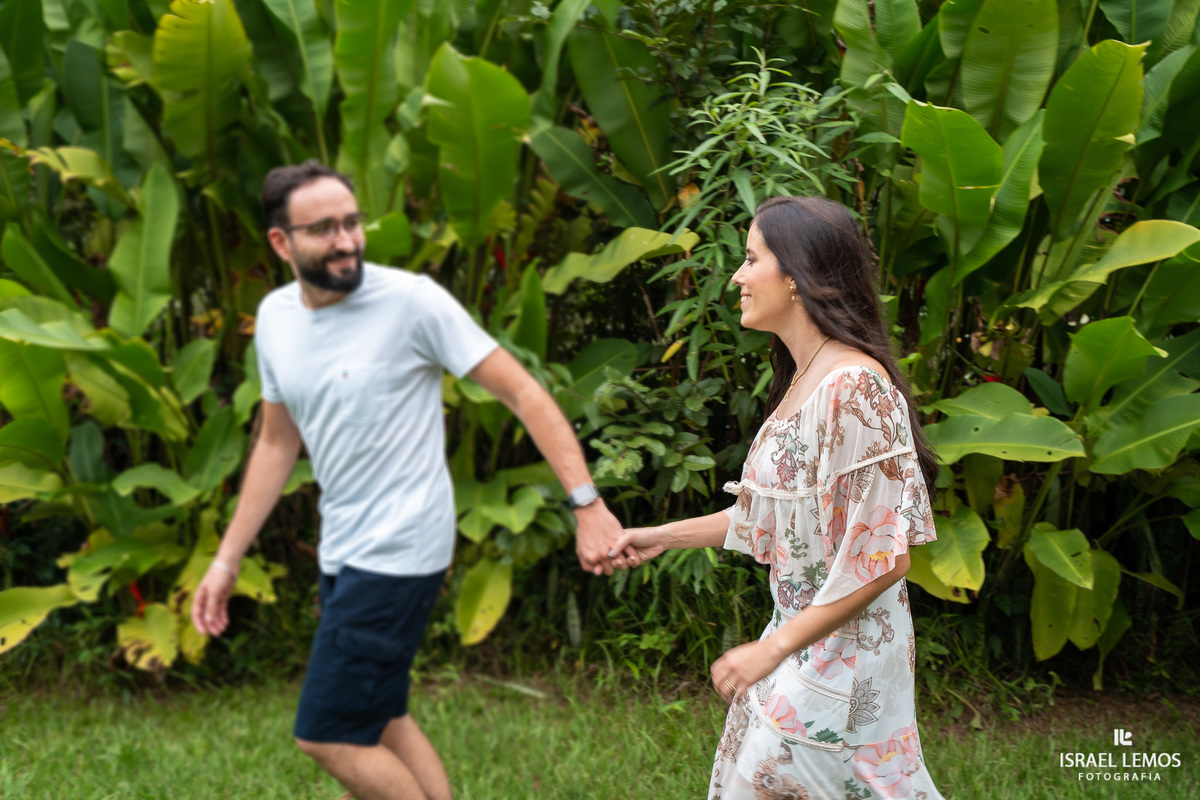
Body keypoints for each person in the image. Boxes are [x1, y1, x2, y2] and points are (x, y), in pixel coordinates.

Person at [190, 160, 636, 800]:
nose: (346, 241)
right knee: (382, 716)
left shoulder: (411, 302)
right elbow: (276, 441)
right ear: (281, 243)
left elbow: (524, 394)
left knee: (329, 733)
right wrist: (226, 559)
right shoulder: (277, 317)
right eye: (323, 229)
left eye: (351, 223)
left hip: (400, 550)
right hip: (344, 545)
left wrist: (587, 504)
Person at [612, 196, 945, 799]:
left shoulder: (854, 389)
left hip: (842, 665)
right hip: (801, 646)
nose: (736, 276)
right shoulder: (803, 379)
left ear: (797, 276)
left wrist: (771, 651)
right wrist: (661, 537)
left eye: (750, 258)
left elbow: (886, 559)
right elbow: (770, 514)